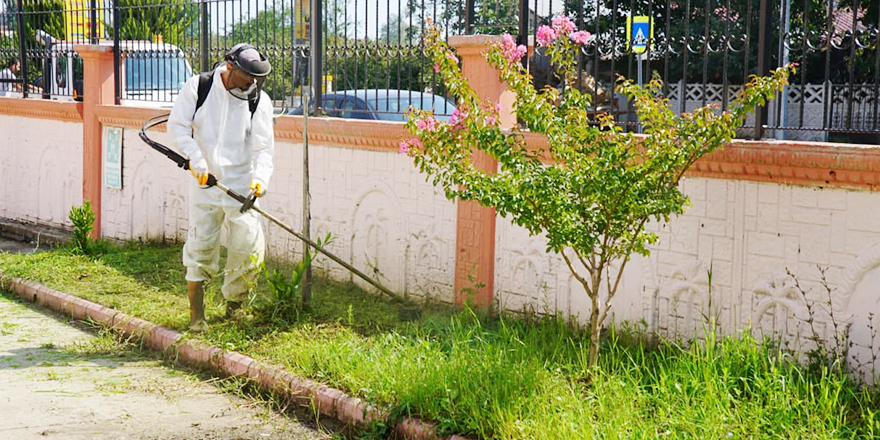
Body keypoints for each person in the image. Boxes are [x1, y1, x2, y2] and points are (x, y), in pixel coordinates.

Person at [167, 44, 275, 332]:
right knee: (201, 245)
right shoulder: (199, 87)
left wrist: (260, 180)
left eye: (256, 77)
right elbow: (177, 127)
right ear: (230, 68)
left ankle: (235, 308)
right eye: (248, 76)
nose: (252, 82)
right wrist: (197, 160)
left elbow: (264, 148)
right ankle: (196, 316)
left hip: (242, 186)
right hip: (206, 182)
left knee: (248, 247)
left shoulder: (258, 101)